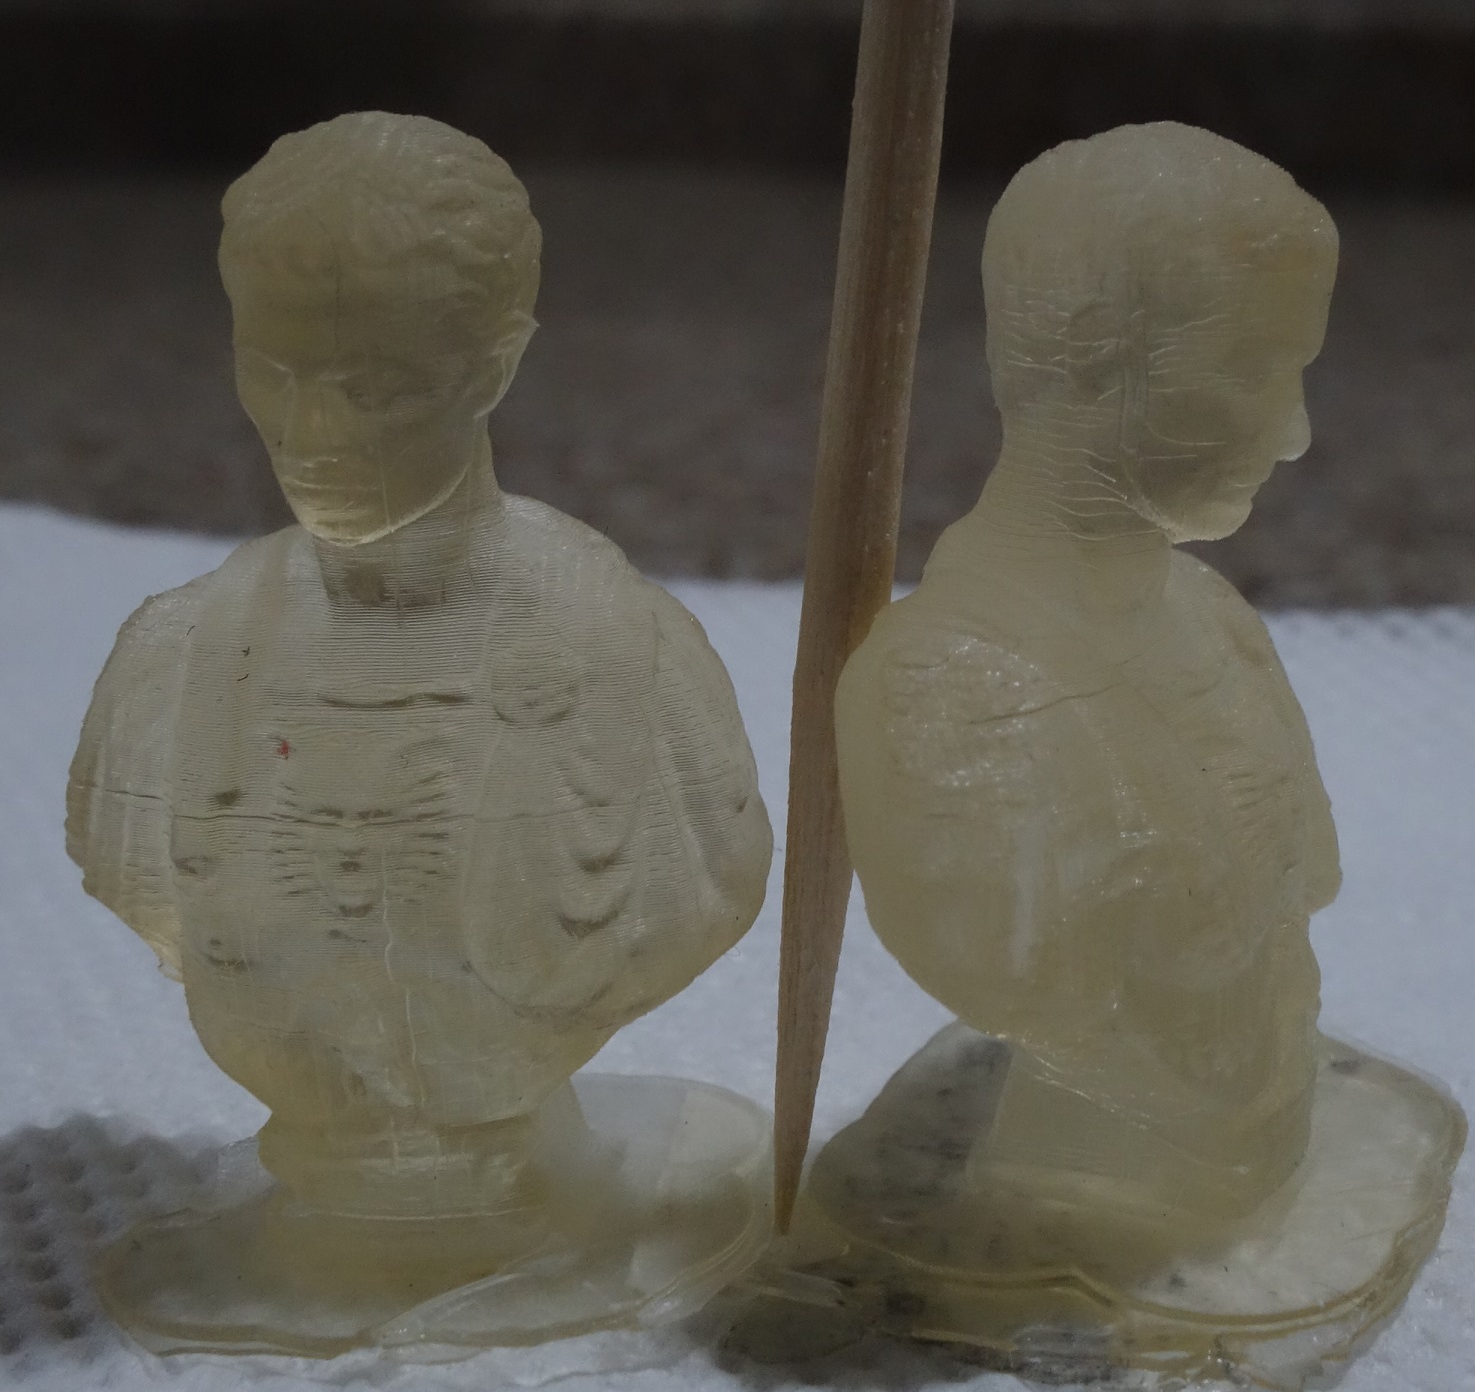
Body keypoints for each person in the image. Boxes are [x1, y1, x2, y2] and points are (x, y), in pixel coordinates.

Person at [66, 112, 772, 1347]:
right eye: (273, 373)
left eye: (375, 386)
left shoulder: (626, 655)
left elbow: (706, 886)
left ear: (492, 364)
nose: (313, 434)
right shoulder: (173, 669)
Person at [835, 122, 1342, 1240]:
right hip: (1089, 1174)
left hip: (1248, 1130)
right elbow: (1023, 973)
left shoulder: (1212, 620)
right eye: (1251, 370)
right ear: (1088, 351)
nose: (1295, 435)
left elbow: (1300, 885)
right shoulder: (951, 691)